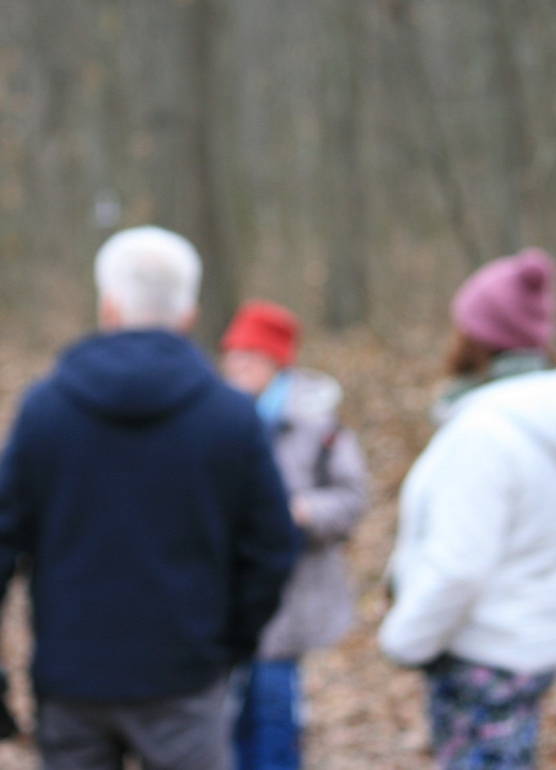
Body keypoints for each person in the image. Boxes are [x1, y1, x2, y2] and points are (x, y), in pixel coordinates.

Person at [0, 226, 298, 770]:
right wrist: (229, 644)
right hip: (187, 679)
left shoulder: (46, 408)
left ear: (108, 307)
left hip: (73, 680)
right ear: (189, 315)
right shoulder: (231, 416)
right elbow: (272, 548)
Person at [377, 248, 556, 770]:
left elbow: (459, 565)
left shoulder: (486, 433)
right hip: (533, 639)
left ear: (478, 338)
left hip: (482, 654)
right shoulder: (553, 417)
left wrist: (404, 639)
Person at [218, 301, 369, 770]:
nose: (236, 367)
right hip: (227, 598)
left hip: (290, 596)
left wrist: (303, 512)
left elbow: (351, 498)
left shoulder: (318, 425)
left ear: (275, 361)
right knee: (226, 725)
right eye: (232, 356)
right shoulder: (217, 418)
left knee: (273, 719)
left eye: (248, 357)